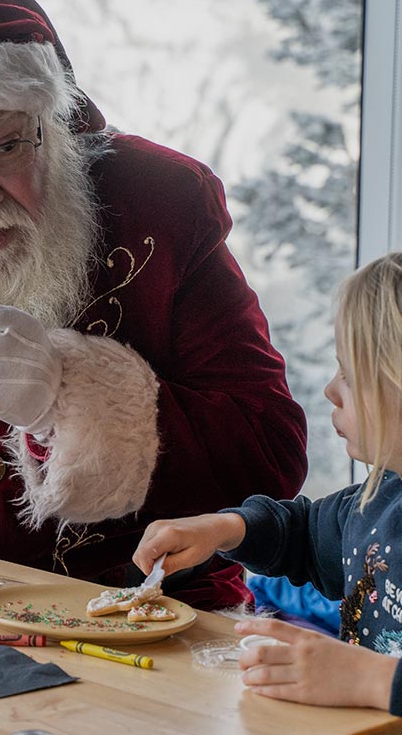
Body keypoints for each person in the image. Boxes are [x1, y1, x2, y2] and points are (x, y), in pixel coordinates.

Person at [0, 0, 307, 610]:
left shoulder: (158, 206)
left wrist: (75, 397)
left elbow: (267, 457)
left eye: (4, 148)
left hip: (148, 627)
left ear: (53, 131)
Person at [133, 252, 402, 714]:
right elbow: (301, 530)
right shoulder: (380, 500)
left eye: (351, 376)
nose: (331, 391)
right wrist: (223, 528)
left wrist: (373, 679)